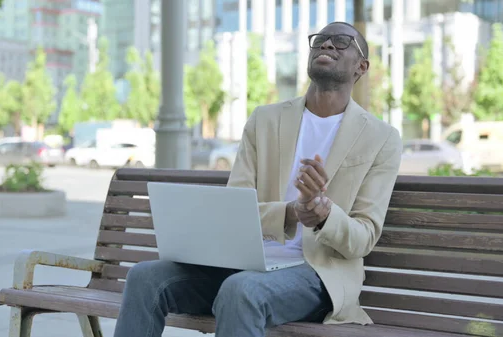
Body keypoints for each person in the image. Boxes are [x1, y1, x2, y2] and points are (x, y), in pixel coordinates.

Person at [113, 21, 402, 337]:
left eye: (342, 41)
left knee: (242, 290)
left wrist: (324, 214)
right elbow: (233, 209)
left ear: (361, 67)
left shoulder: (381, 138)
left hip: (318, 275)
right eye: (320, 39)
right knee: (145, 277)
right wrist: (292, 212)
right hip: (245, 266)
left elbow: (363, 237)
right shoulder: (265, 121)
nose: (327, 45)